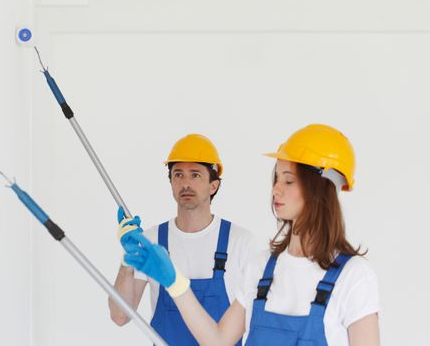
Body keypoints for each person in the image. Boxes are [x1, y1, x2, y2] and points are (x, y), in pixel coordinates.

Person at [124, 124, 380, 346]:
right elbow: (217, 341)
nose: (276, 190)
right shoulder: (261, 268)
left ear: (321, 190)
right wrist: (174, 281)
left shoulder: (354, 276)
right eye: (276, 179)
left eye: (288, 181)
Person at [109, 133, 256, 346]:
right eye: (178, 174)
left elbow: (254, 321)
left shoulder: (240, 241)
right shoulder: (152, 240)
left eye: (195, 175)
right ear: (170, 182)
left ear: (213, 185)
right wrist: (127, 261)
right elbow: (119, 316)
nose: (185, 183)